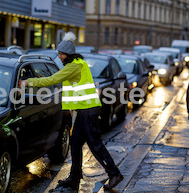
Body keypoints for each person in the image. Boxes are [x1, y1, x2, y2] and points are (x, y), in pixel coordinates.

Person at [19, 32, 123, 190]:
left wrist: (27, 82)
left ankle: (114, 174)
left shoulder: (73, 67)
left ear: (68, 54)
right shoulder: (77, 63)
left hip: (88, 110)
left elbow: (52, 80)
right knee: (75, 143)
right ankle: (74, 177)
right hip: (84, 110)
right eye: (58, 54)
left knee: (95, 144)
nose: (59, 57)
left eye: (61, 54)